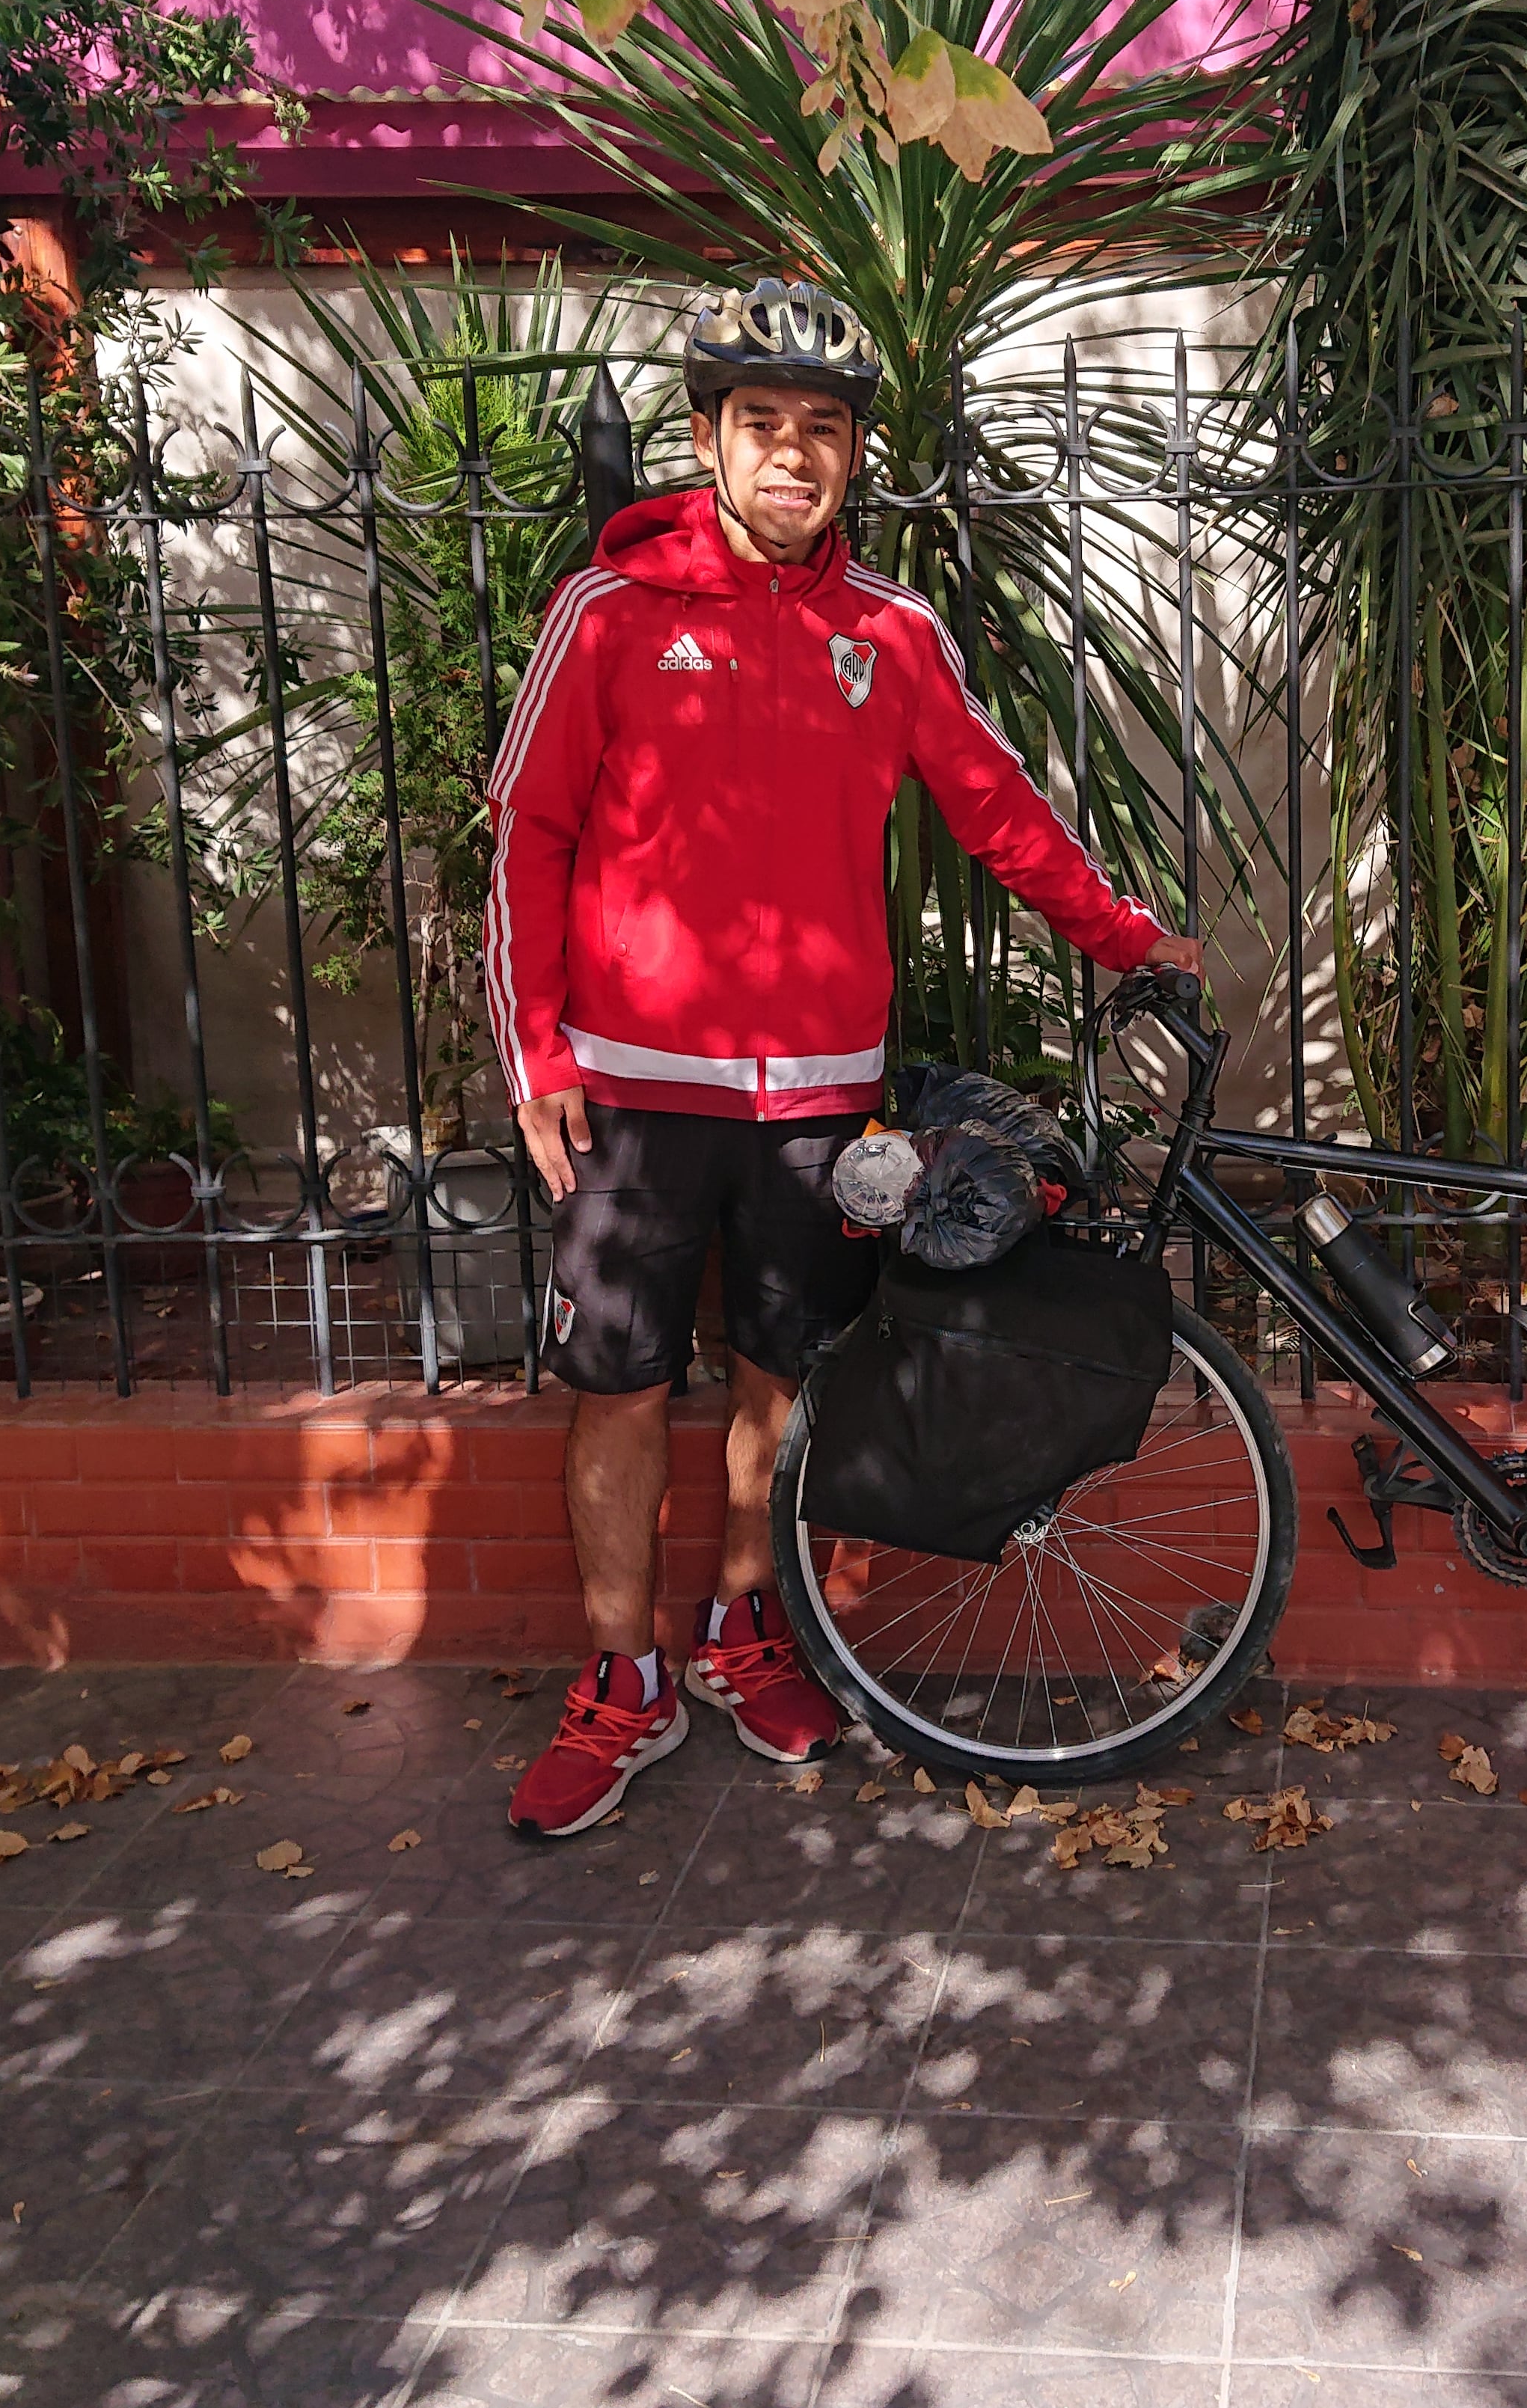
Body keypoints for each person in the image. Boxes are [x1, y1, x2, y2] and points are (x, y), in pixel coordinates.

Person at [482, 277, 1205, 1836]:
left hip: (816, 1096)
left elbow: (1000, 811)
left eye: (822, 431)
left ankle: (744, 1634)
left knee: (777, 1379)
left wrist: (1125, 937)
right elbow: (528, 836)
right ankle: (622, 1680)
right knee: (615, 1390)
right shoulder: (605, 615)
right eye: (762, 427)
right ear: (707, 441)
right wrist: (535, 1049)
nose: (793, 456)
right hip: (629, 1091)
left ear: (852, 457)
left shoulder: (891, 632)